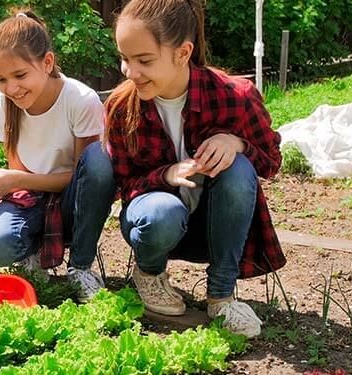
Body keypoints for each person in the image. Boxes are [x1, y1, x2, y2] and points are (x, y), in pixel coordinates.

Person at [103, 0, 287, 338]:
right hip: (156, 223)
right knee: (162, 212)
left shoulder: (235, 96)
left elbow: (271, 161)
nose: (131, 72)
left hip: (213, 226)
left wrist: (237, 143)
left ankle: (221, 296)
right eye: (125, 59)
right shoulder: (119, 106)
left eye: (144, 60)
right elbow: (123, 184)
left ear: (183, 52)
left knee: (238, 169)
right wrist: (167, 176)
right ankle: (149, 273)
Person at [0, 9, 115, 300]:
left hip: (77, 200)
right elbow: (19, 180)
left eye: (20, 75)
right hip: (32, 196)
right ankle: (30, 254)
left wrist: (14, 179)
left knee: (100, 159)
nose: (12, 88)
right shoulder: (1, 104)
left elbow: (85, 176)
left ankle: (81, 267)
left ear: (47, 63)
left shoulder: (80, 100)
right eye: (1, 79)